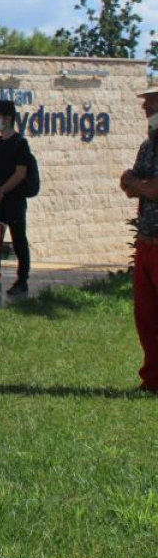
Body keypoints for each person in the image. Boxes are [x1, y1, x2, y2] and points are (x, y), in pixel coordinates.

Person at [120, 84, 158, 394]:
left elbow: (153, 189)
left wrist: (138, 184)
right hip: (147, 240)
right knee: (146, 316)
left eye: (151, 102)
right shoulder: (148, 146)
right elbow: (130, 183)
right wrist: (137, 184)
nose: (145, 108)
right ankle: (153, 379)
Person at [0, 99, 32, 296]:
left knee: (18, 239)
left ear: (8, 118)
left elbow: (20, 173)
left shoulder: (20, 143)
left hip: (14, 199)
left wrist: (2, 190)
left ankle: (22, 280)